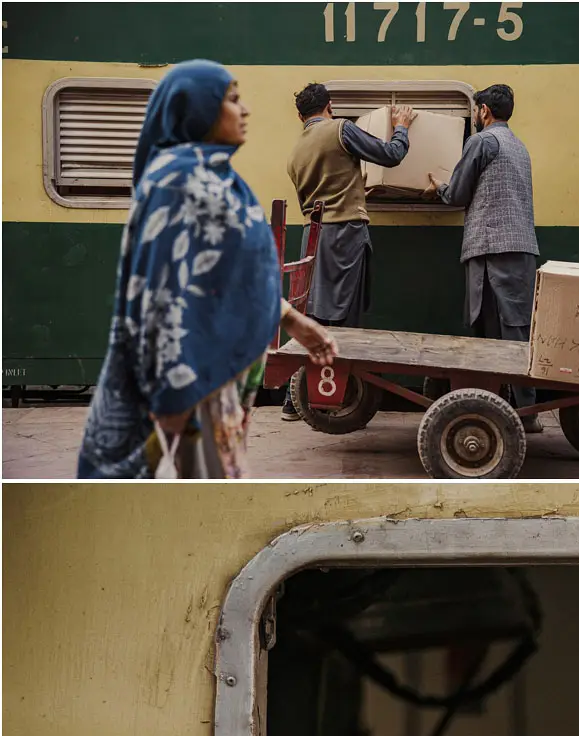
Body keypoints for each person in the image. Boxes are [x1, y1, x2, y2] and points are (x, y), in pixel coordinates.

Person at [76, 61, 335, 477]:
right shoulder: (175, 184)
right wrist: (177, 401)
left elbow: (234, 277)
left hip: (218, 383)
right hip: (190, 383)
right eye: (232, 100)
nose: (245, 109)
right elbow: (160, 297)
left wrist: (294, 322)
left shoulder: (217, 178)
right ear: (198, 110)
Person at [283, 84, 415, 418]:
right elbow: (391, 155)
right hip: (345, 233)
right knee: (346, 314)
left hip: (313, 236)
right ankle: (339, 399)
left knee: (313, 313)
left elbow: (321, 189)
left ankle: (294, 399)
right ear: (330, 106)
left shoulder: (296, 152)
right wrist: (402, 126)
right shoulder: (340, 128)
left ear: (300, 116)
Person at [423, 83, 543, 432]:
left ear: (484, 111)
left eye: (476, 110)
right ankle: (527, 411)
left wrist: (437, 187)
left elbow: (458, 193)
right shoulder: (518, 146)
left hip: (491, 250)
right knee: (517, 331)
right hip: (521, 249)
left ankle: (490, 408)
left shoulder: (482, 141)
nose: (475, 116)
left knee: (488, 330)